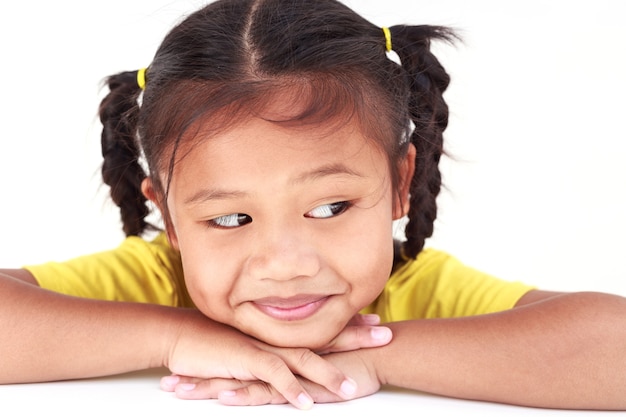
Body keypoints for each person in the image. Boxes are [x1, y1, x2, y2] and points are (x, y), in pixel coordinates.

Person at [1, 0, 625, 411]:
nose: (286, 264)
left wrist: (379, 355)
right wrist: (176, 336)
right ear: (168, 217)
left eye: (330, 208)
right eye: (228, 219)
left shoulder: (417, 295)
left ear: (399, 184)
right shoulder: (149, 283)